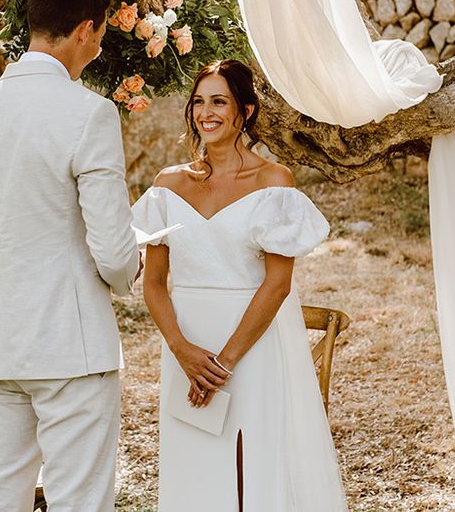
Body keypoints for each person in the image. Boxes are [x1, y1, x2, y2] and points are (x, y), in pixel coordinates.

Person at [0, 0, 142, 512]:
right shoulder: (89, 114)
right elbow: (115, 254)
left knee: (3, 492)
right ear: (85, 31)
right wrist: (127, 271)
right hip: (71, 345)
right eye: (100, 34)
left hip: (2, 342)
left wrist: (13, 261)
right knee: (80, 500)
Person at [133, 59, 348, 511]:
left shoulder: (274, 182)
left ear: (244, 111)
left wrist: (224, 363)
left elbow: (277, 285)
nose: (206, 113)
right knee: (193, 460)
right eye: (198, 102)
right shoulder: (168, 184)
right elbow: (153, 284)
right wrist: (182, 350)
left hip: (251, 345)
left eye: (219, 102)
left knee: (254, 462)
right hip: (187, 344)